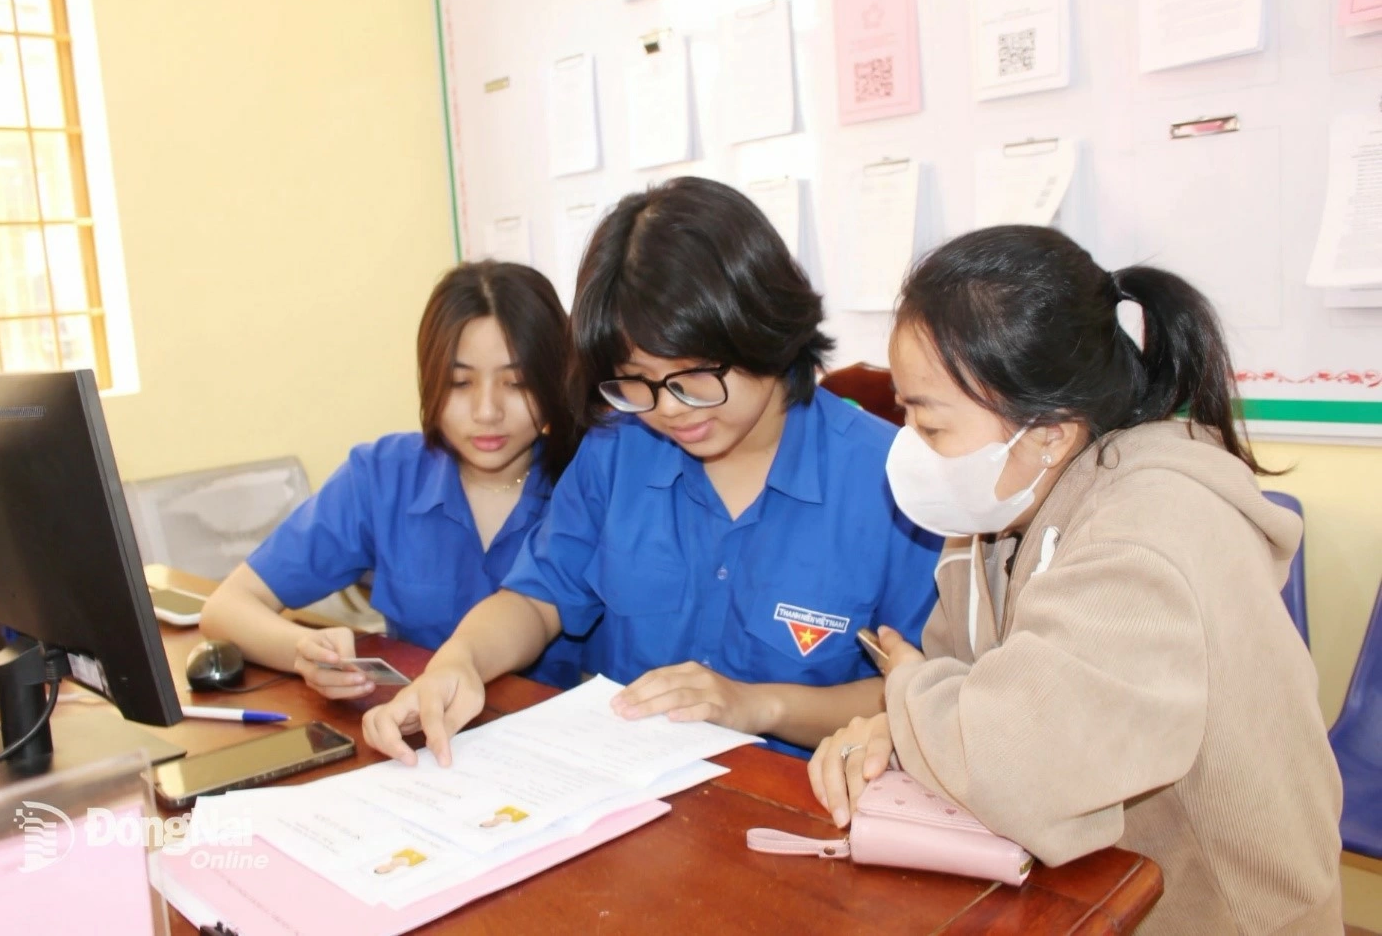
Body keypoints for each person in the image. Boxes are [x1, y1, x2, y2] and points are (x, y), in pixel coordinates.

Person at [809, 226, 1342, 933]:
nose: (909, 445)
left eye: (929, 424)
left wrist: (910, 696)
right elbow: (957, 683)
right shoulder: (1000, 498)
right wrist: (895, 725)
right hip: (1086, 889)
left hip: (1210, 912)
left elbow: (1015, 763)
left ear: (1050, 431)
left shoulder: (1152, 528)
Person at [362, 177, 943, 763]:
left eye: (692, 375)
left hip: (795, 808)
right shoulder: (619, 450)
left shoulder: (891, 482)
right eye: (635, 381)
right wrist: (461, 659)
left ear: (765, 329)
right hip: (629, 798)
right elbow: (538, 600)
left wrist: (756, 705)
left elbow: (917, 694)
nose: (665, 408)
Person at [199, 261, 584, 693]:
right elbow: (227, 608)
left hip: (550, 740)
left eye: (516, 383)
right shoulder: (383, 476)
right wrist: (304, 650)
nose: (487, 411)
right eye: (460, 383)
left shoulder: (589, 485)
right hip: (418, 734)